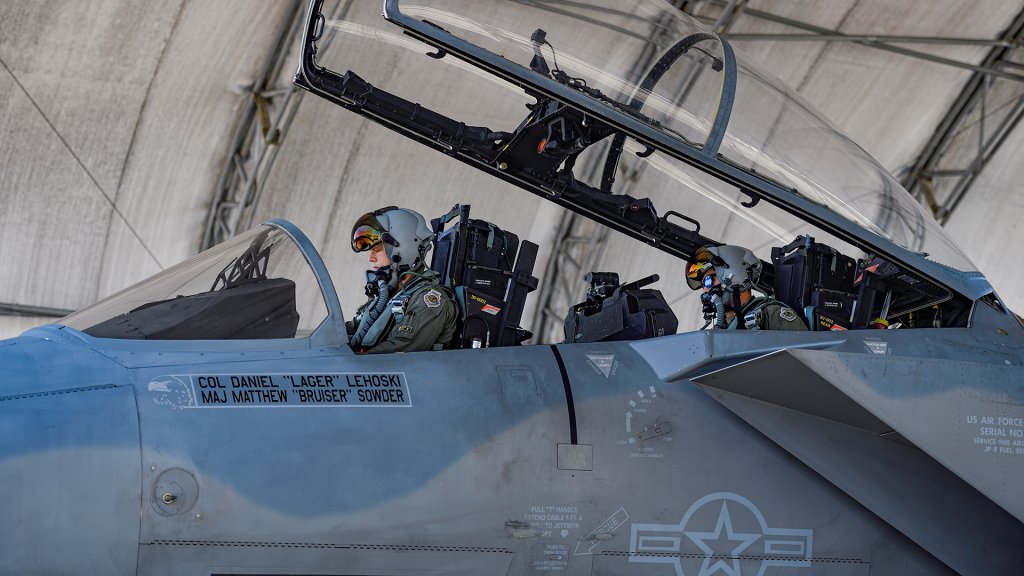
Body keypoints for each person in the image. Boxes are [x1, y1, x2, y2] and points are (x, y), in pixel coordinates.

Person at [347, 206, 457, 353]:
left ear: (403, 251)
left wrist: (350, 359)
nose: (370, 258)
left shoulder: (428, 300)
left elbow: (397, 351)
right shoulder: (388, 297)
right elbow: (347, 330)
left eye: (377, 250)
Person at [685, 244, 806, 331]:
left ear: (733, 274)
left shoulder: (772, 314)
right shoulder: (719, 332)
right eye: (703, 286)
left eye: (708, 281)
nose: (705, 290)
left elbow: (805, 355)